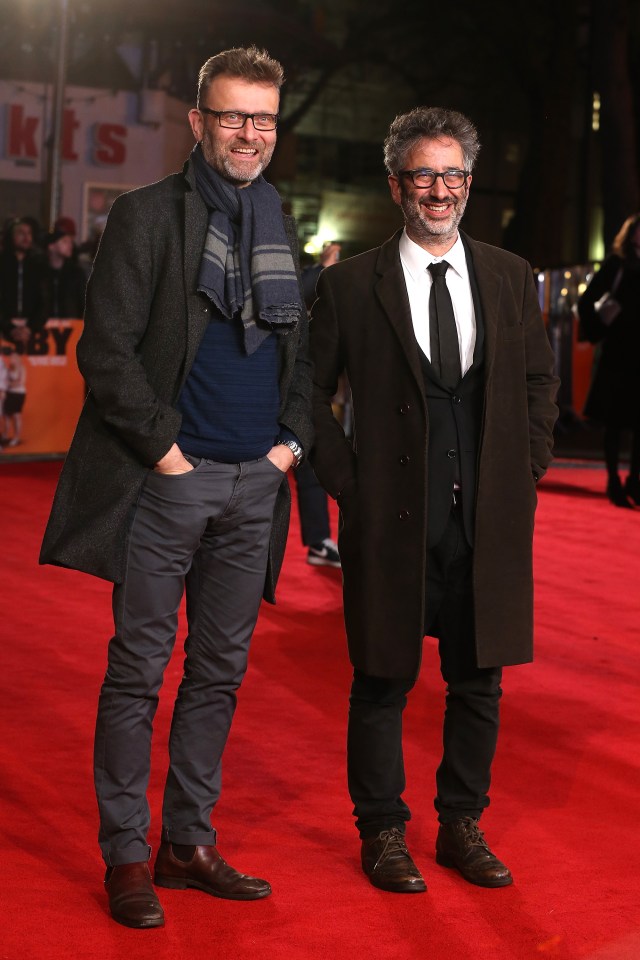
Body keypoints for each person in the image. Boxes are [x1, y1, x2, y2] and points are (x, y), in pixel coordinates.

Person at [40, 46, 312, 929]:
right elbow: (106, 351)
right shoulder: (147, 216)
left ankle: (188, 842)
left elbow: (302, 357)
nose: (249, 133)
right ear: (199, 122)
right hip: (173, 482)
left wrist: (290, 447)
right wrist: (165, 453)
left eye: (263, 118)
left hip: (255, 485)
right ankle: (127, 852)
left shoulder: (279, 219)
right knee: (138, 674)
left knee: (220, 673)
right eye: (232, 116)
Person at [310, 107, 559, 894]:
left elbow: (537, 382)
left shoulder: (511, 275)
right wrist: (349, 482)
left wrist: (528, 466)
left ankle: (460, 825)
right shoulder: (350, 286)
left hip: (487, 517)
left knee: (479, 679)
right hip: (389, 519)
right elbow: (308, 394)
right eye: (425, 174)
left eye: (454, 175)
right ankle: (382, 830)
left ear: (469, 184)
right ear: (396, 184)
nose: (441, 190)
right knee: (382, 677)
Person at [577, 213, 640, 507]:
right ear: (631, 235)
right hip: (618, 352)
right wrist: (599, 330)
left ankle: (635, 480)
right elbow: (586, 300)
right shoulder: (616, 265)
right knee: (614, 422)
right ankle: (614, 480)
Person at [0, 217, 46, 348]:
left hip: (32, 333)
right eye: (21, 233)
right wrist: (10, 328)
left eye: (29, 233)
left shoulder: (39, 264)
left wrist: (31, 327)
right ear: (10, 236)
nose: (26, 237)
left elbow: (44, 300)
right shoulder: (2, 263)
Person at [43, 228, 87, 319]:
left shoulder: (76, 273)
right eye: (64, 241)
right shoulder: (41, 273)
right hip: (44, 326)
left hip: (73, 327)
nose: (70, 245)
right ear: (51, 246)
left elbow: (84, 302)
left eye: (71, 242)